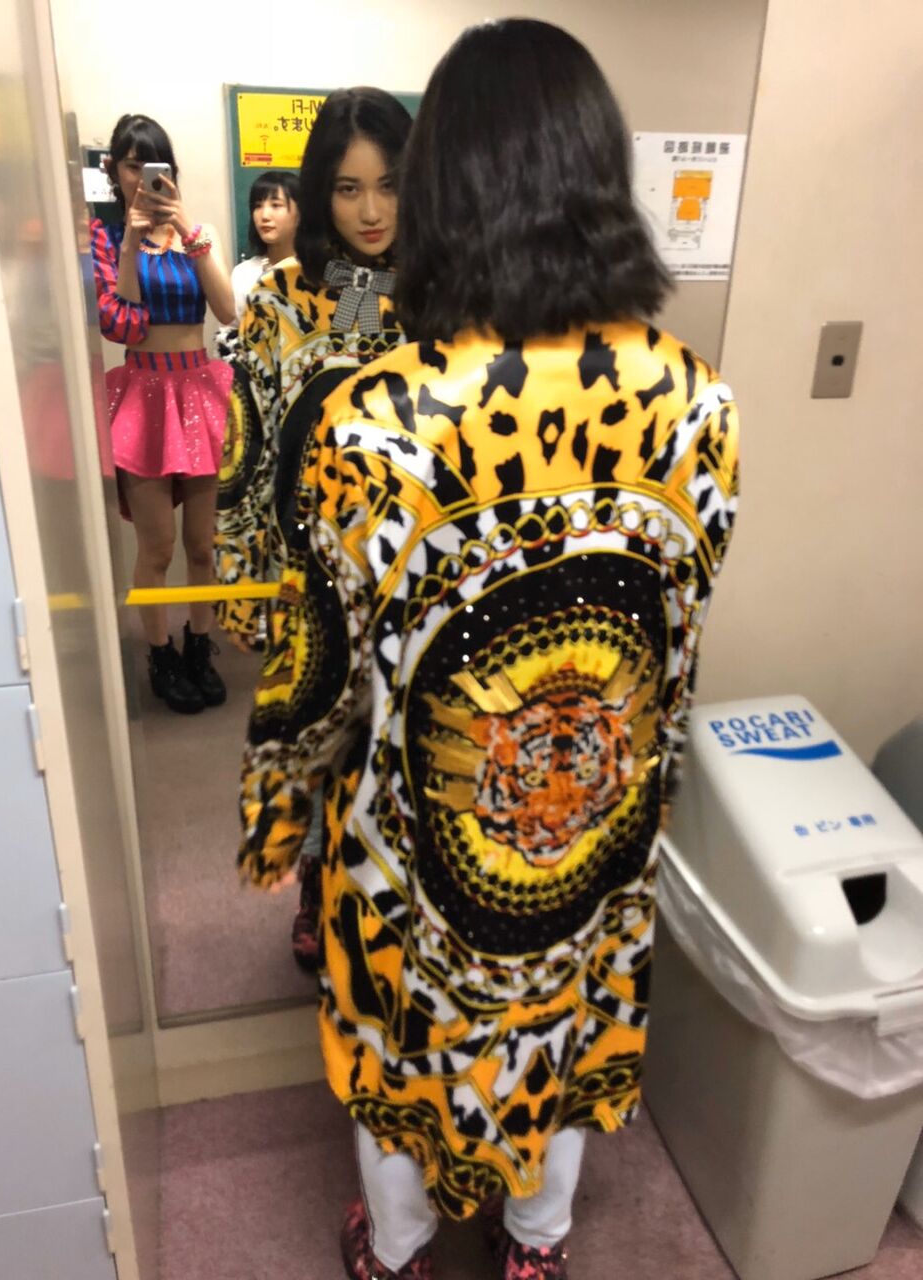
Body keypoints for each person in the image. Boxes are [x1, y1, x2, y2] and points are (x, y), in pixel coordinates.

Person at [235, 18, 741, 1280]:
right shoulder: (702, 404)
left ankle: (400, 1246)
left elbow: (318, 677)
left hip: (420, 842)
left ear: (445, 190)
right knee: (563, 1020)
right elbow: (676, 645)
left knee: (404, 1039)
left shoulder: (376, 421)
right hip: (596, 817)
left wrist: (276, 811)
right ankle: (536, 1245)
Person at [217, 89, 412, 970]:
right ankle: (313, 887)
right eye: (347, 188)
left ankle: (388, 900)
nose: (371, 211)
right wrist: (242, 575)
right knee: (317, 738)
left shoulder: (445, 300)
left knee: (396, 747)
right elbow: (248, 443)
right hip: (309, 570)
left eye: (389, 185)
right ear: (318, 192)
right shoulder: (277, 301)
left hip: (413, 571)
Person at [92, 113, 236, 714]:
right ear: (116, 170)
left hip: (200, 390)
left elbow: (227, 310)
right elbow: (121, 321)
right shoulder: (104, 240)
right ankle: (160, 654)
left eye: (154, 166)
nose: (143, 178)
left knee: (202, 545)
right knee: (156, 548)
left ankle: (199, 645)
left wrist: (185, 228)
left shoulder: (198, 233)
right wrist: (130, 242)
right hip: (144, 393)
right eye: (132, 166)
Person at [229, 169, 300, 321]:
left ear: (301, 213)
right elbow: (232, 330)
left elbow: (341, 328)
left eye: (276, 205)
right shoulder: (244, 274)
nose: (264, 216)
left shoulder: (323, 272)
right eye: (258, 206)